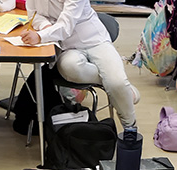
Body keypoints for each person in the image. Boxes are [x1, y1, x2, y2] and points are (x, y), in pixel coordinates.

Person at [20, 0, 140, 129]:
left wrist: (40, 35)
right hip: (66, 46)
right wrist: (45, 26)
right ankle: (121, 88)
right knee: (69, 67)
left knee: (117, 81)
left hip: (94, 39)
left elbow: (66, 25)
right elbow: (34, 14)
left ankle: (130, 128)